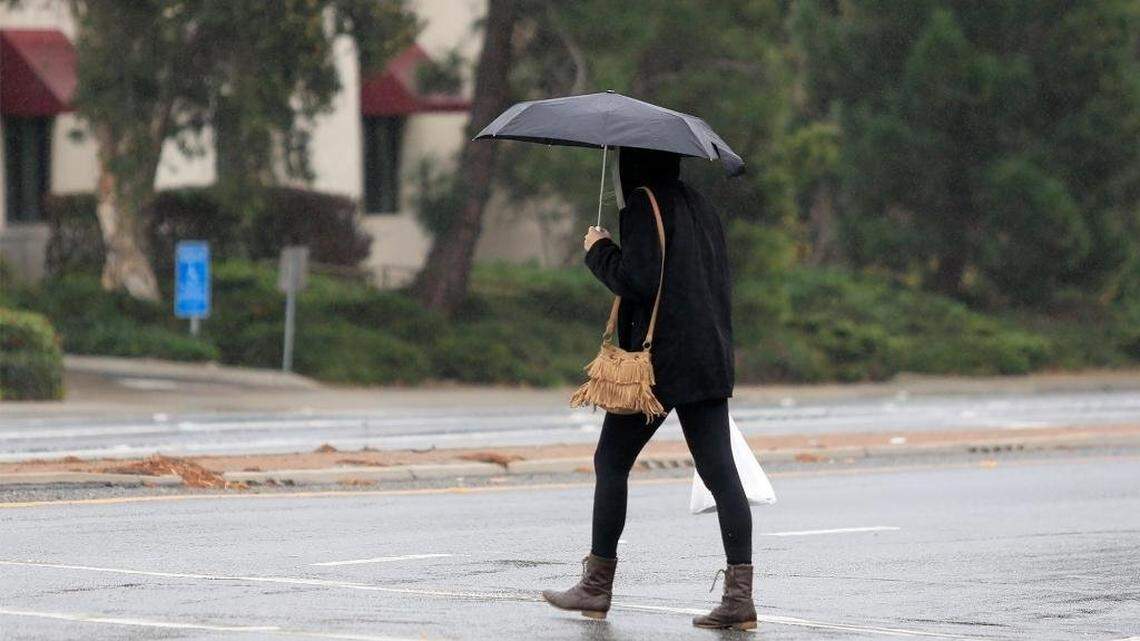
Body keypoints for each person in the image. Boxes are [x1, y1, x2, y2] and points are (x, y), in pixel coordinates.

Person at [541, 147, 755, 630]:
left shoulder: (642, 203)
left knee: (611, 462)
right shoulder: (700, 204)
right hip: (707, 355)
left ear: (632, 163)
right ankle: (740, 599)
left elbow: (636, 280)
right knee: (721, 472)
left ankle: (595, 588)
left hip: (656, 368)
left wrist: (599, 249)